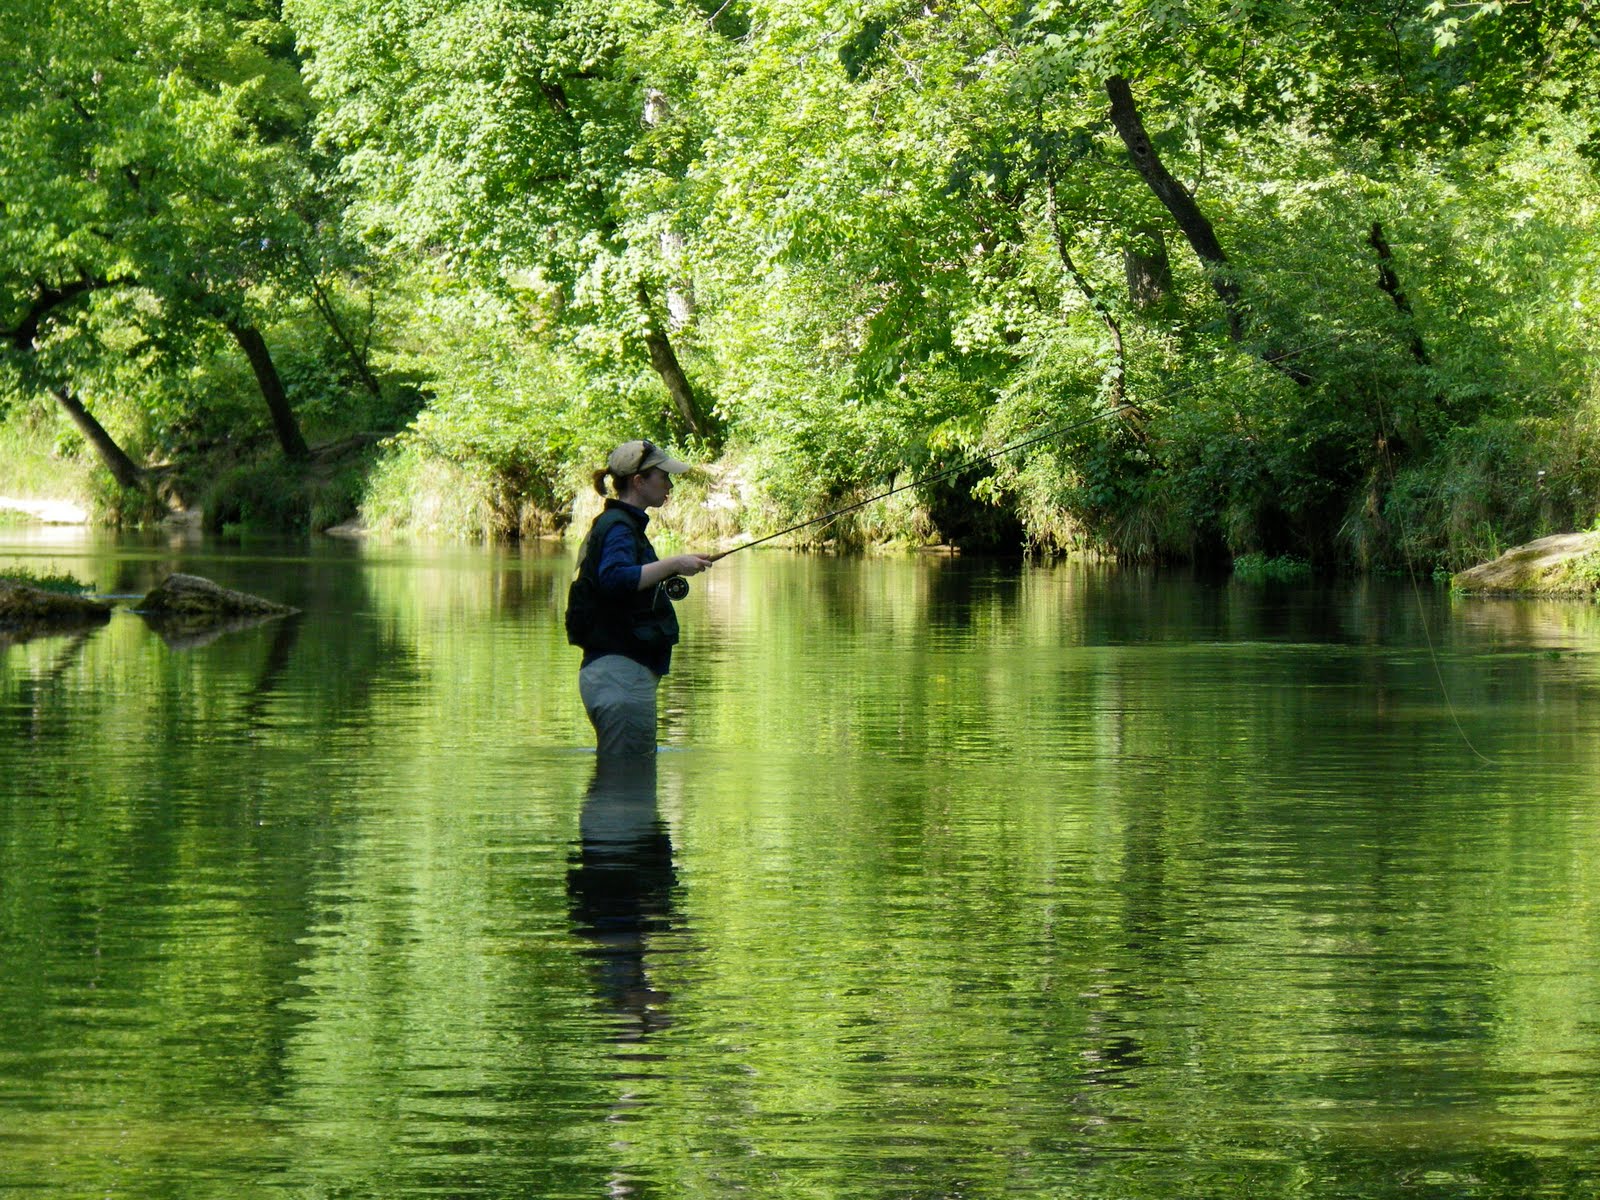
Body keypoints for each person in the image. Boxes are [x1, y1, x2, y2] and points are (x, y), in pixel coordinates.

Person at [565, 440, 713, 756]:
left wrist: (672, 566)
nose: (669, 484)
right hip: (620, 681)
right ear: (638, 481)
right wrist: (674, 563)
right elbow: (615, 579)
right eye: (663, 477)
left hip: (617, 678)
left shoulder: (618, 525)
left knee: (624, 789)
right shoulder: (619, 527)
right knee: (627, 789)